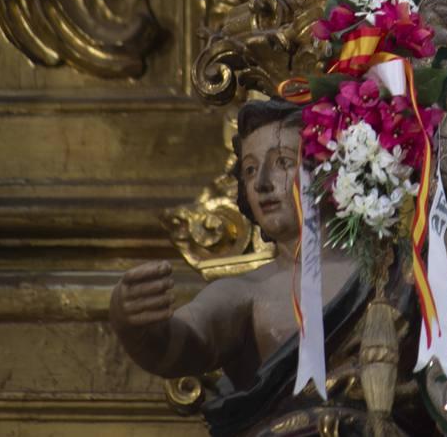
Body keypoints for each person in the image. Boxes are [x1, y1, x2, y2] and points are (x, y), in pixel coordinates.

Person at [109, 100, 360, 388]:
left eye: (284, 162)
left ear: (333, 172)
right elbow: (188, 338)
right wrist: (135, 328)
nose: (261, 183)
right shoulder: (245, 292)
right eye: (251, 169)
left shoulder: (389, 272)